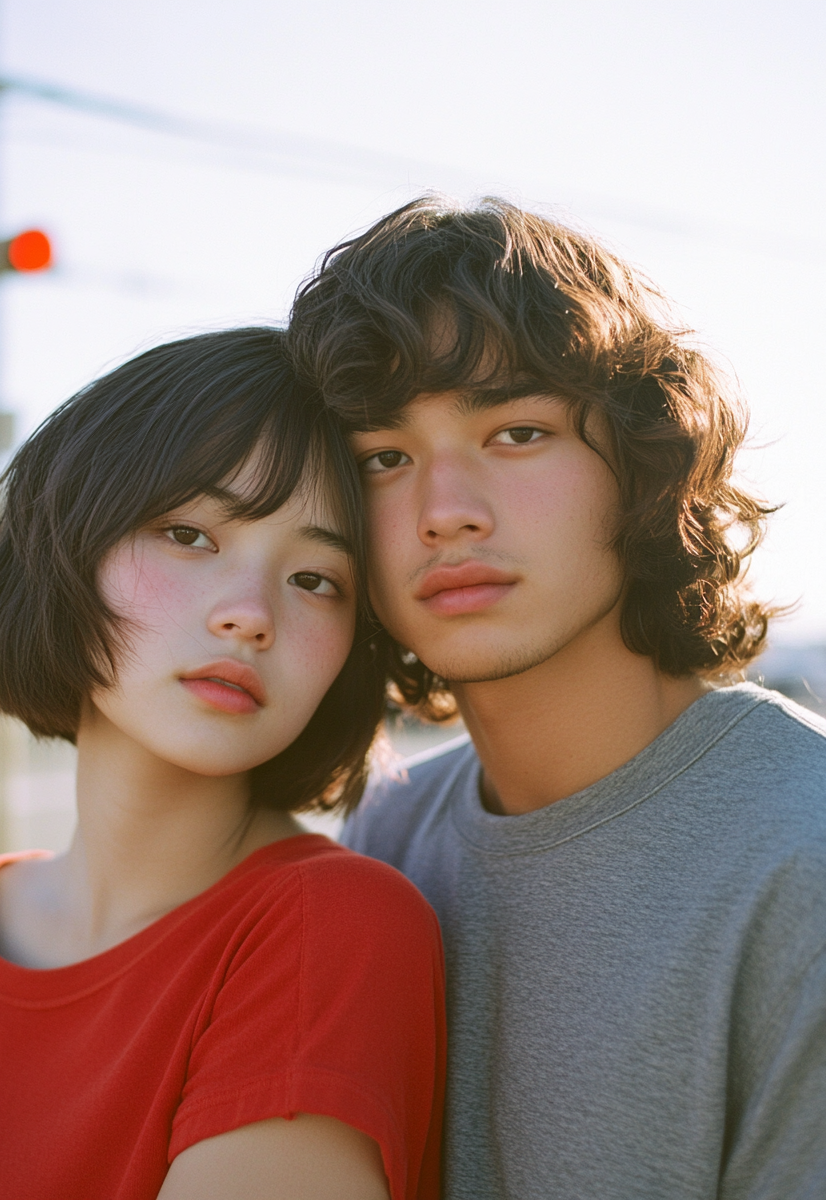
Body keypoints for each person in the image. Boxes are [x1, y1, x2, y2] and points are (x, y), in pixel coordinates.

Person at [285, 197, 826, 1199]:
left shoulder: (803, 852)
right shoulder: (388, 838)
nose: (445, 511)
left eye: (519, 431)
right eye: (384, 460)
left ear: (644, 464)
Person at [0, 328, 445, 1200]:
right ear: (70, 544)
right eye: (188, 533)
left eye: (316, 579)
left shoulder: (330, 927)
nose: (249, 615)